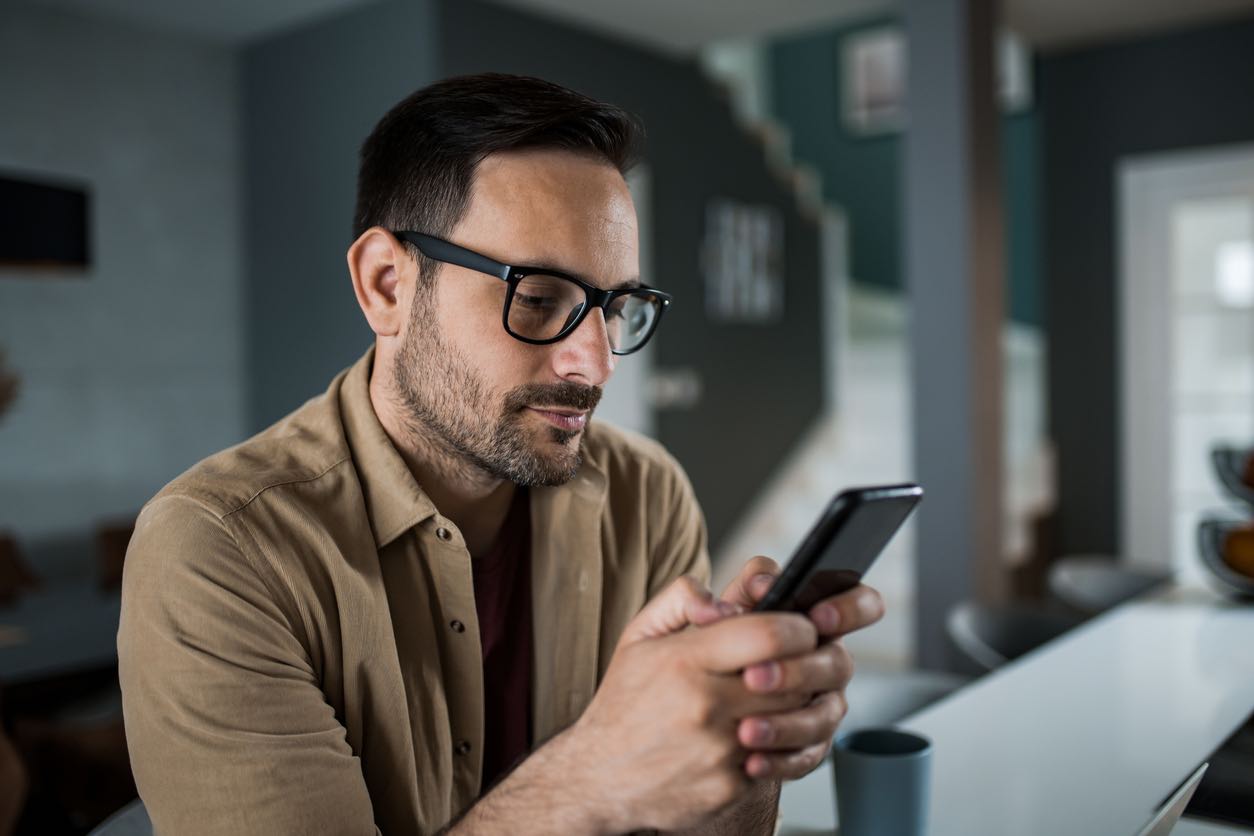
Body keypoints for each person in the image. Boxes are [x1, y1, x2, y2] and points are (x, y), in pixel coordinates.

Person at [118, 73, 884, 835]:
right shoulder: (218, 551)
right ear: (386, 285)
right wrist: (593, 777)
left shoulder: (647, 496)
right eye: (540, 296)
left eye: (613, 309)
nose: (596, 363)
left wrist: (751, 743)